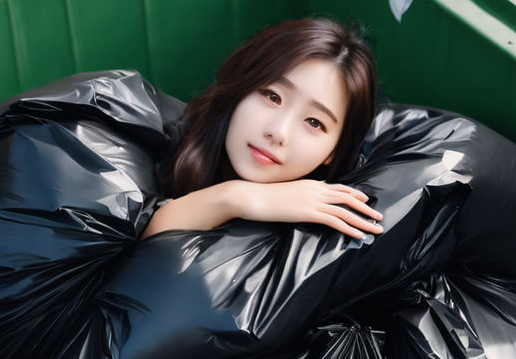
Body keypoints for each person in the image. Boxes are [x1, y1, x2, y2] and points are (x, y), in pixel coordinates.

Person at [142, 17, 385, 240]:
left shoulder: (321, 234)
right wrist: (235, 198)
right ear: (240, 87)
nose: (278, 132)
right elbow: (131, 254)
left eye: (314, 122)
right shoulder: (154, 147)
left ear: (334, 151)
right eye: (272, 96)